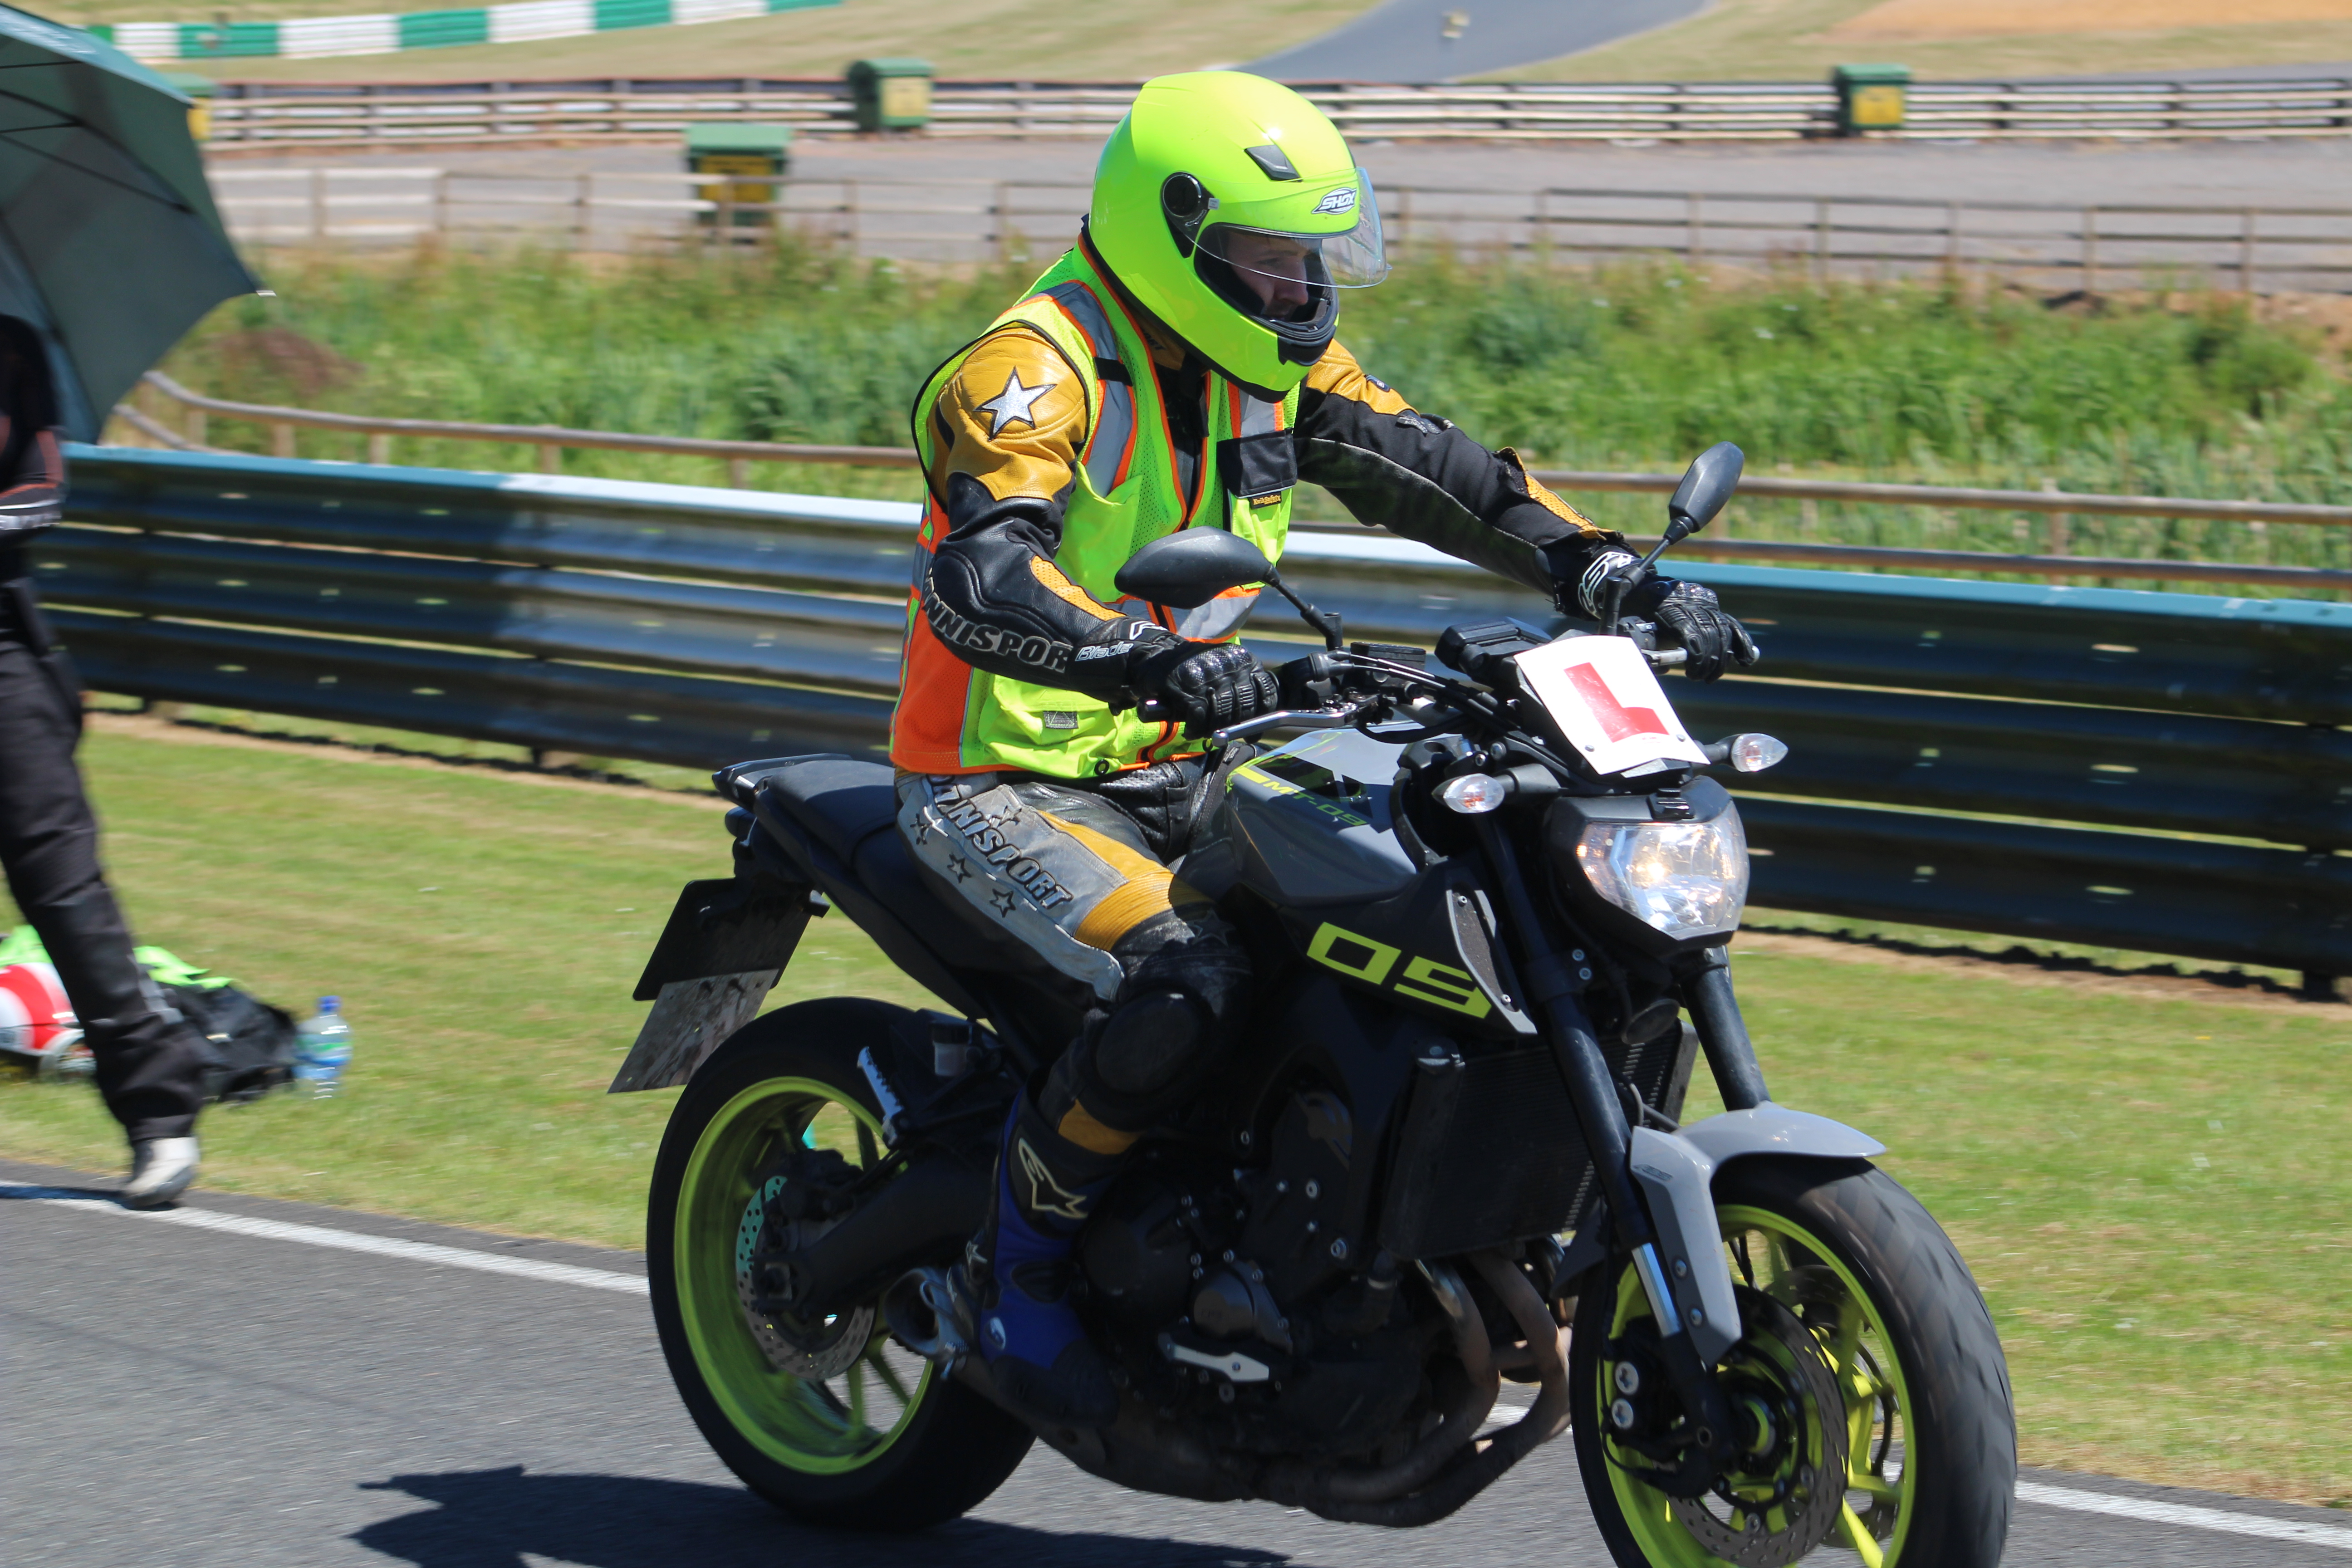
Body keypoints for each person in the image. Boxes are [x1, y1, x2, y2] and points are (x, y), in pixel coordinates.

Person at [888, 73, 1757, 1426]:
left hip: (1209, 747)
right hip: (1009, 776)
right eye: (1270, 259)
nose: (1300, 290)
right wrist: (1155, 657)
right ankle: (1026, 1267)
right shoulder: (1031, 370)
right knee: (1186, 980)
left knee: (1442, 894)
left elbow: (1443, 469)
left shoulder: (1276, 363)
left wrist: (1603, 572)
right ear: (1170, 236)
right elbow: (984, 577)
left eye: (1311, 261)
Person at [0, 318, 214, 1207]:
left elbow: (41, 491)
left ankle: (161, 1114)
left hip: (6, 657)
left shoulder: (13, 346)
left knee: (64, 889)